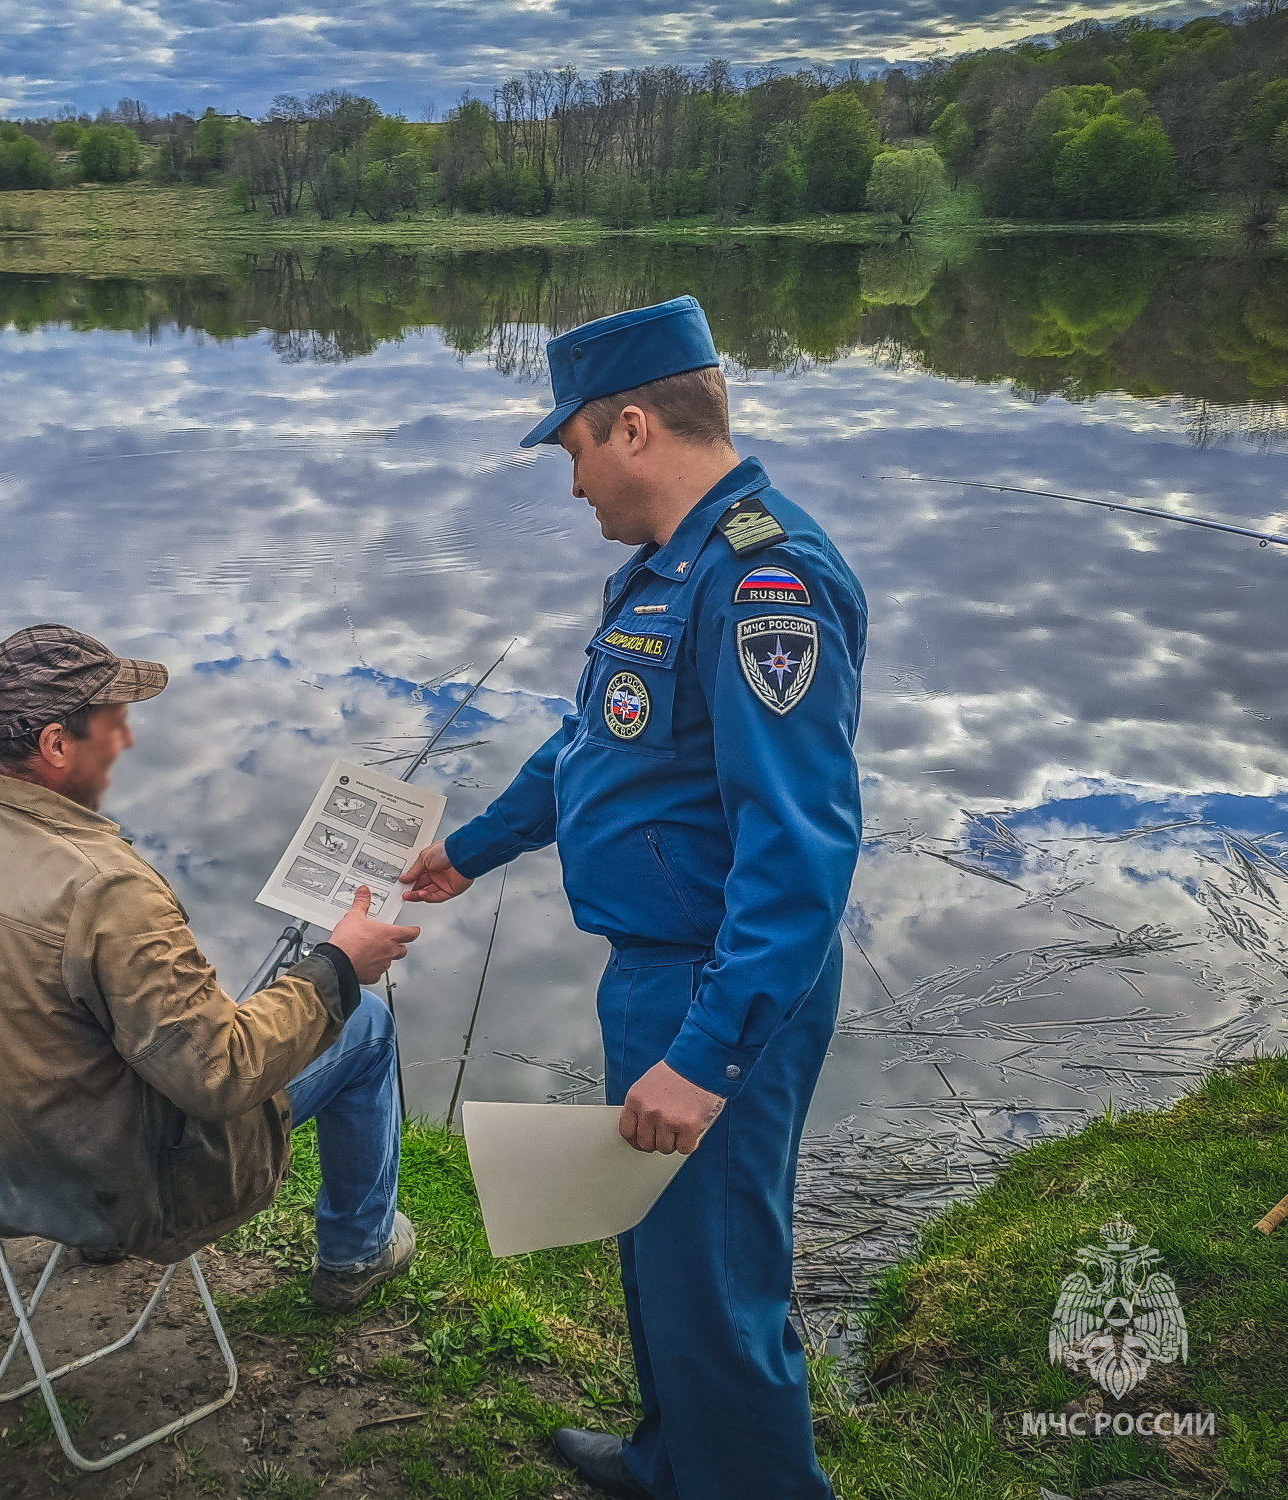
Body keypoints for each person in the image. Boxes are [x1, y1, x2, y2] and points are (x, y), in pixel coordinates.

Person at [401, 297, 865, 1499]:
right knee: (661, 1248)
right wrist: (472, 847)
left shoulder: (764, 585)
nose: (571, 490)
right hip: (659, 974)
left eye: (570, 455)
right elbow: (592, 746)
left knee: (716, 1277)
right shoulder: (664, 574)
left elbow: (797, 848)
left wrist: (709, 1053)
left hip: (719, 982)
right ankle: (674, 1461)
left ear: (631, 426)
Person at [0, 624, 424, 1309]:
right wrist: (339, 966)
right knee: (369, 1023)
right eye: (113, 724)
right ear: (56, 744)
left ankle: (95, 1237)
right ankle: (357, 1254)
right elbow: (221, 1074)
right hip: (128, 1183)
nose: (128, 740)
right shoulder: (105, 889)